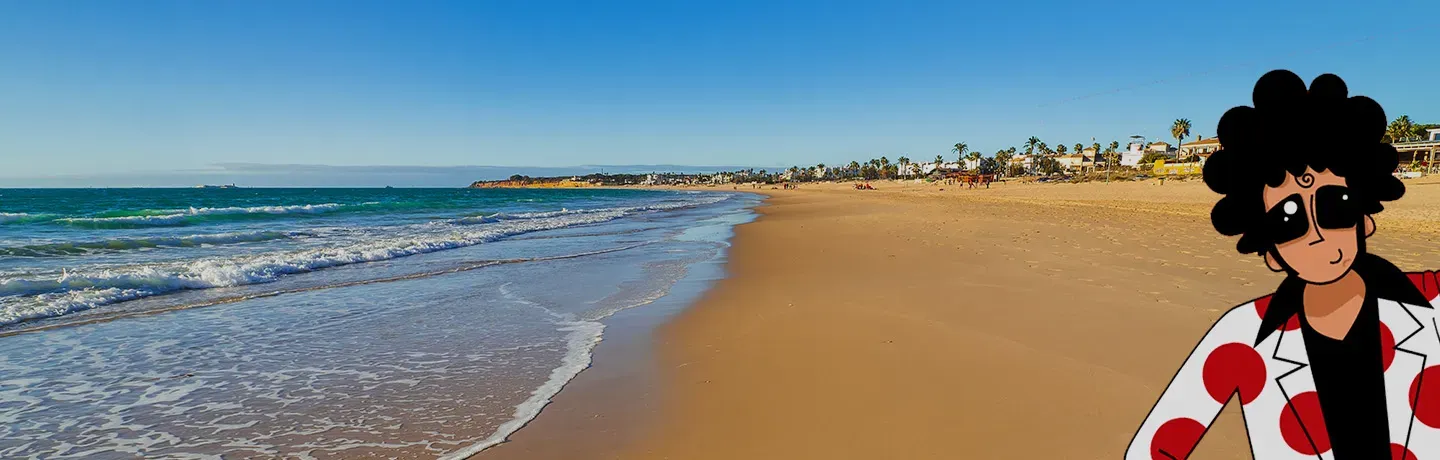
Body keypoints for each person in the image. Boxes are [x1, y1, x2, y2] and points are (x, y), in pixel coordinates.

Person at [1126, 70, 1440, 459]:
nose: (1317, 233)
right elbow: (1154, 447)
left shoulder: (1433, 304)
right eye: (1288, 221)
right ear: (1271, 252)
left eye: (1335, 207)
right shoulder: (1241, 338)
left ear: (1365, 219)